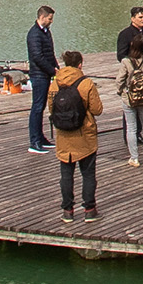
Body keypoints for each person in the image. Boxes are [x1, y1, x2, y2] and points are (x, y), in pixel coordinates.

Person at [49, 52, 103, 219]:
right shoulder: (86, 83)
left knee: (66, 175)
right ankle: (89, 210)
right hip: (84, 135)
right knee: (88, 174)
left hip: (63, 135)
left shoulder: (55, 83)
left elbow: (51, 108)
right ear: (80, 64)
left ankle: (67, 211)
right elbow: (97, 110)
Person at [113, 6, 143, 162]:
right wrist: (132, 64)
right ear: (132, 18)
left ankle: (138, 150)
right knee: (131, 123)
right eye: (140, 17)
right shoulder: (125, 34)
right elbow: (121, 55)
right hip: (131, 76)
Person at [23, 5, 60, 151]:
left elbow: (50, 53)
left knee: (42, 107)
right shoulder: (34, 34)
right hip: (38, 75)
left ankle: (40, 137)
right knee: (37, 107)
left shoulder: (46, 32)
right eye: (49, 19)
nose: (51, 21)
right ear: (42, 17)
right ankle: (34, 141)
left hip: (46, 74)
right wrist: (52, 70)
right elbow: (37, 57)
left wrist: (56, 67)